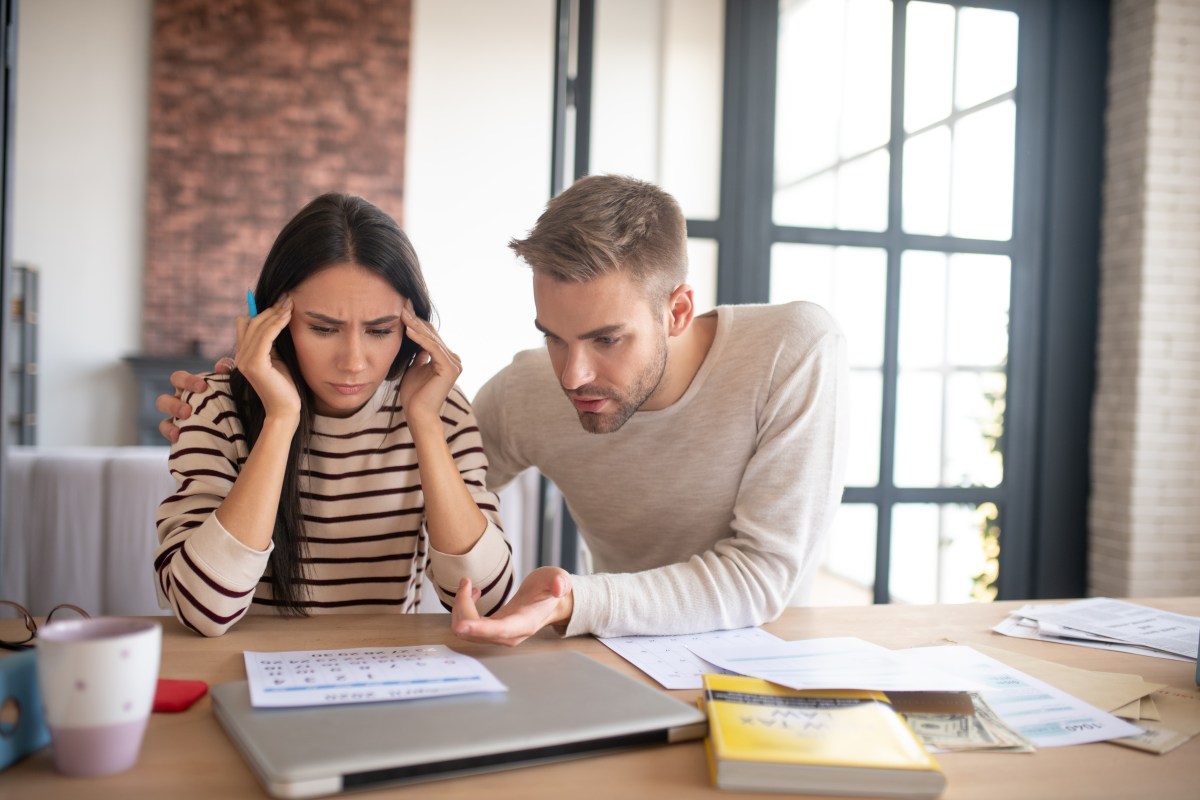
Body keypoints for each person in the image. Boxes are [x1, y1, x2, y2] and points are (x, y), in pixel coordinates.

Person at [158, 175, 847, 646]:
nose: (572, 374)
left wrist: (576, 600)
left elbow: (762, 576)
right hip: (621, 647)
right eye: (552, 336)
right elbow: (430, 483)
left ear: (677, 311)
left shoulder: (793, 350)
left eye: (606, 340)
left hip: (766, 651)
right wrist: (257, 410)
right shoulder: (527, 391)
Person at [153, 193, 513, 637]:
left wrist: (425, 425)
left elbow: (489, 598)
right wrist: (280, 419)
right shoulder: (215, 405)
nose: (354, 362)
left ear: (412, 329)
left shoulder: (440, 408)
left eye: (380, 330)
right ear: (272, 320)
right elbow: (202, 610)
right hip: (244, 679)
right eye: (323, 329)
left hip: (383, 680)